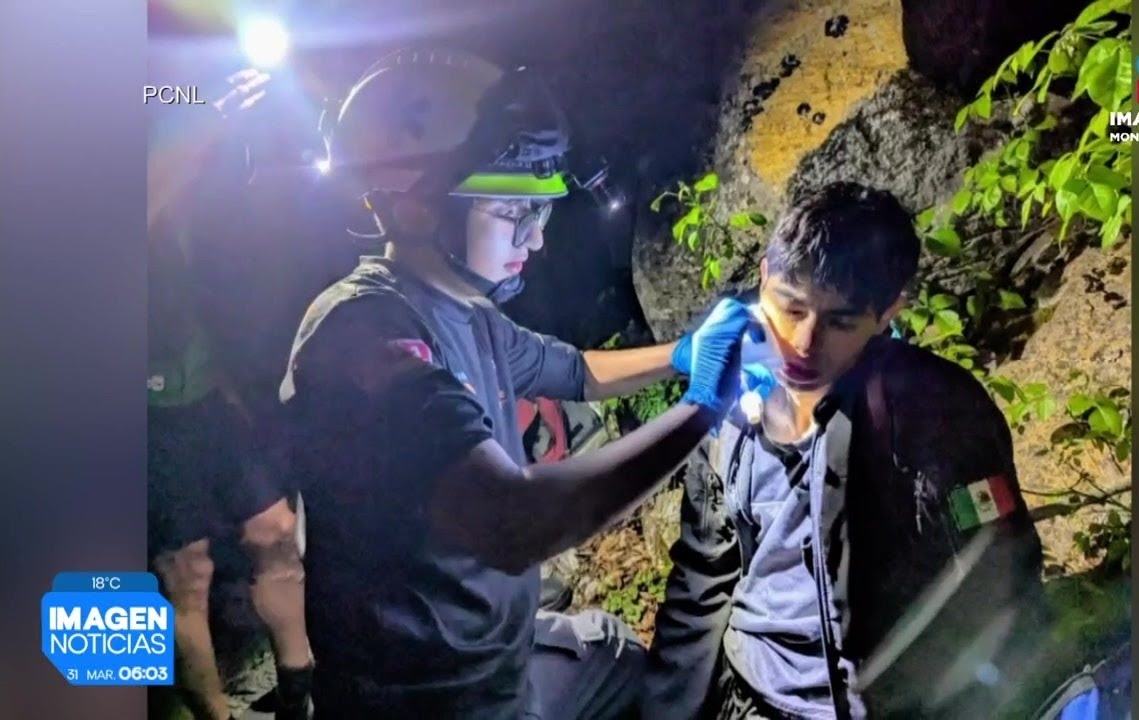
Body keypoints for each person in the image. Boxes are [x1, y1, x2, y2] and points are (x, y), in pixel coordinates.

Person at [278, 46, 757, 719]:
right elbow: (515, 522)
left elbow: (576, 370)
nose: (535, 242)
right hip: (437, 703)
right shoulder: (362, 337)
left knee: (615, 654)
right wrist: (702, 409)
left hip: (501, 657)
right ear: (414, 205)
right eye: (512, 213)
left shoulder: (467, 309)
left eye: (541, 214)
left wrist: (684, 353)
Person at [646, 182, 1048, 719]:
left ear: (887, 312)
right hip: (745, 693)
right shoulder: (727, 399)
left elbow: (1000, 571)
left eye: (839, 321)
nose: (804, 343)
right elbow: (703, 573)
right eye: (791, 306)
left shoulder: (932, 411)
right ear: (764, 277)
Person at [148, 68, 314, 720]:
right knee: (186, 572)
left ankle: (301, 692)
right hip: (141, 417)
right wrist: (207, 116)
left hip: (204, 392)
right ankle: (215, 714)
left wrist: (207, 100)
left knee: (275, 530)